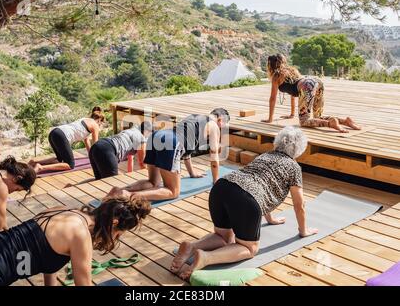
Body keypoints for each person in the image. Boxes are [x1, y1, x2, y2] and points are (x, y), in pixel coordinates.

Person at [171, 126, 319, 279]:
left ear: (278, 142)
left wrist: (270, 219)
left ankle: (192, 246)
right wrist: (303, 230)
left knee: (223, 238)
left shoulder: (265, 156)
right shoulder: (294, 167)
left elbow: (261, 184)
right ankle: (206, 257)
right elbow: (299, 205)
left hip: (222, 187)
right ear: (299, 149)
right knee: (250, 249)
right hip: (246, 198)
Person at [0, 196, 151, 286]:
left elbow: (44, 251)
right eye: (119, 234)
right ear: (113, 224)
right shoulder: (81, 236)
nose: (115, 238)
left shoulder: (64, 210)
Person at [108, 108, 230, 201]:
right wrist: (215, 181)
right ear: (220, 120)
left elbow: (186, 151)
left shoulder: (194, 117)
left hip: (156, 136)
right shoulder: (214, 126)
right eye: (224, 125)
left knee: (152, 182)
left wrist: (192, 173)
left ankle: (120, 190)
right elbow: (214, 156)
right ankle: (128, 195)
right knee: (173, 192)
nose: (222, 128)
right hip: (171, 142)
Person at [264, 54, 361, 133]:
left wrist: (270, 119)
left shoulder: (276, 77)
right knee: (317, 117)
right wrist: (292, 114)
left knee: (304, 121)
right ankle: (345, 121)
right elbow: (293, 94)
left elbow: (273, 98)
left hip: (306, 86)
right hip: (316, 82)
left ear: (270, 65)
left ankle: (330, 124)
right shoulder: (292, 70)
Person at [29, 107, 106, 173]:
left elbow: (86, 141)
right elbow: (96, 145)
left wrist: (91, 157)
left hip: (54, 132)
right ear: (99, 120)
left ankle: (34, 163)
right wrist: (98, 160)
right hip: (61, 136)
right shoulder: (95, 125)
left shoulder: (85, 119)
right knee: (70, 165)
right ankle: (40, 167)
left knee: (59, 159)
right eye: (101, 123)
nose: (100, 125)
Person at [89, 121, 153, 180]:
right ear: (147, 131)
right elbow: (142, 163)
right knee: (111, 182)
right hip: (106, 149)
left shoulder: (131, 131)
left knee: (99, 181)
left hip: (95, 146)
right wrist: (150, 179)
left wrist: (129, 176)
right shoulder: (141, 138)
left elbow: (130, 158)